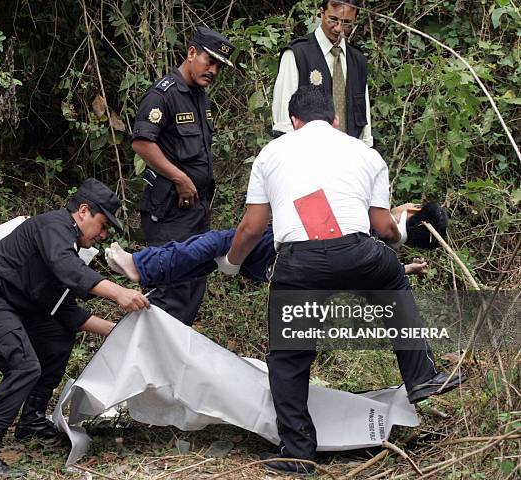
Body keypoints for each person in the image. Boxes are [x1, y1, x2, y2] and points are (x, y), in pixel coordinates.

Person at [218, 85, 465, 475]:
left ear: (293, 123)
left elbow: (252, 227)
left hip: (299, 263)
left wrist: (232, 263)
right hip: (359, 252)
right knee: (392, 284)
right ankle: (421, 377)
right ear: (335, 120)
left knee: (288, 357)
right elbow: (383, 228)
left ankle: (298, 453)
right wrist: (404, 232)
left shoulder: (272, 153)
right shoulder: (364, 153)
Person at [0, 178, 150, 477]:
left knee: (57, 338)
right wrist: (119, 292)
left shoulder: (66, 245)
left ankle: (31, 420)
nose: (103, 235)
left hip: (14, 308)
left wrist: (119, 330)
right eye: (104, 225)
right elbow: (70, 270)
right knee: (25, 366)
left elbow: (66, 312)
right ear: (83, 211)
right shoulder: (54, 227)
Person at [132, 27, 235, 326]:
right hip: (168, 211)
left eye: (219, 66)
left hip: (196, 211)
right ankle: (148, 362)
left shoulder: (199, 96)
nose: (213, 70)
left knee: (192, 287)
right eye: (209, 60)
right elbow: (142, 142)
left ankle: (172, 361)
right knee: (168, 289)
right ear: (191, 53)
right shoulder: (163, 94)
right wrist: (179, 177)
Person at [104, 204, 445, 287]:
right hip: (290, 267)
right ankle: (147, 271)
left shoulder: (379, 224)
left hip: (287, 250)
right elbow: (360, 272)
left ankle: (141, 265)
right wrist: (404, 268)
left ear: (413, 211)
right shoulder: (385, 253)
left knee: (216, 242)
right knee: (209, 258)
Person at [272, 0, 373, 146]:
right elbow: (283, 123)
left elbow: (365, 122)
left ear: (355, 20)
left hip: (349, 158)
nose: (338, 28)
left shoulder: (358, 60)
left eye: (346, 23)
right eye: (333, 19)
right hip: (307, 154)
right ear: (322, 12)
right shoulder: (297, 54)